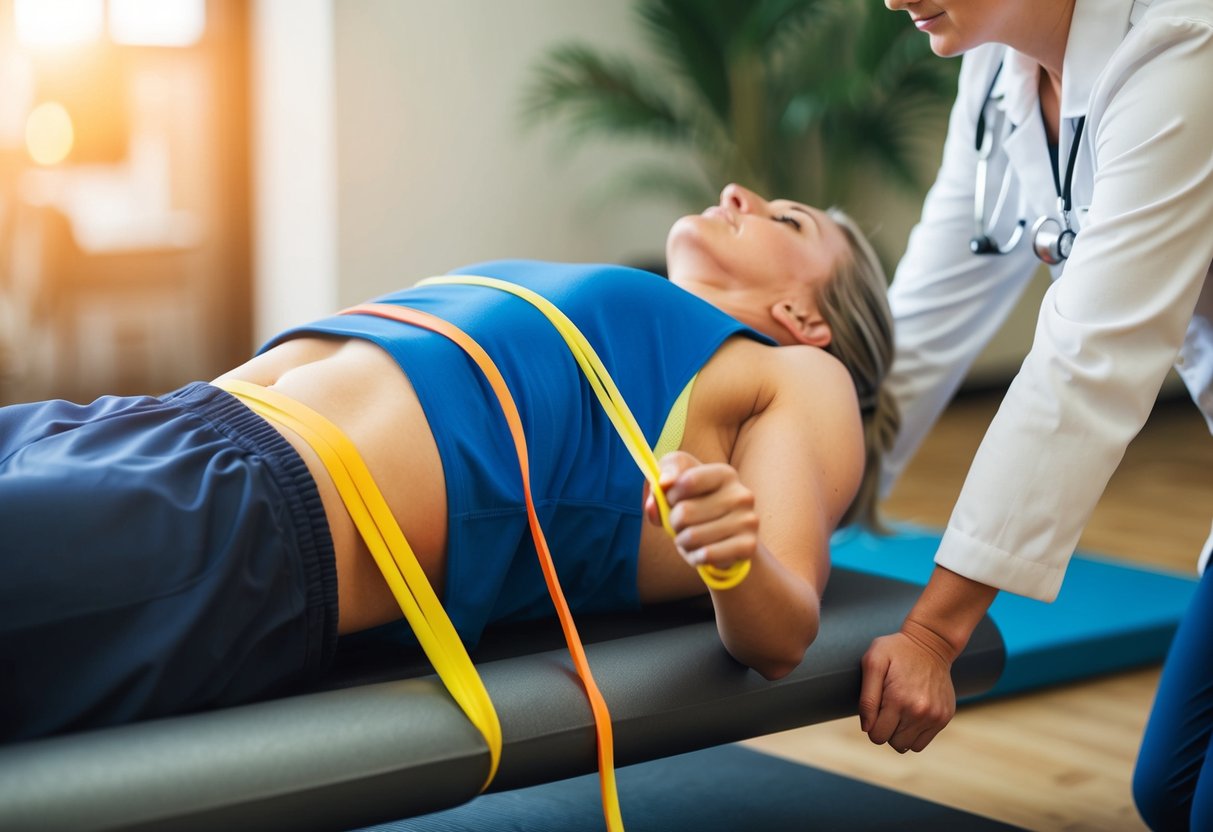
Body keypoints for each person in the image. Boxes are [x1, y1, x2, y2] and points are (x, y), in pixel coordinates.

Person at [0, 184, 898, 743]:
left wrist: (732, 554)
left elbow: (780, 638)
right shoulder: (635, 311)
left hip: (254, 519)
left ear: (806, 315)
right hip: (148, 423)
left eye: (786, 218)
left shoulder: (798, 373)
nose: (738, 191)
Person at [862, 0, 1213, 828]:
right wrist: (805, 484)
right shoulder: (998, 67)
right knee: (1168, 793)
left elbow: (1087, 366)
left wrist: (934, 635)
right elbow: (924, 319)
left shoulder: (1182, 47)